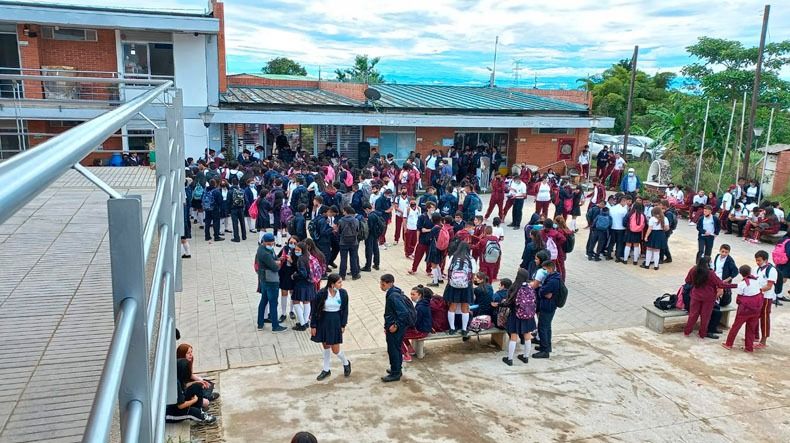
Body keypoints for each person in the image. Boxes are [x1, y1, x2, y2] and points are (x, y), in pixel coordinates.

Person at [311, 274, 351, 381]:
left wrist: (343, 324)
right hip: (323, 321)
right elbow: (314, 310)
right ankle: (326, 369)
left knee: (335, 349)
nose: (341, 284)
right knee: (326, 346)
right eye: (339, 282)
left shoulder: (342, 293)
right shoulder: (321, 294)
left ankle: (346, 362)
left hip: (336, 322)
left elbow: (345, 310)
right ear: (332, 284)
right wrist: (313, 325)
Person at [683, 257, 734, 339]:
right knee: (705, 316)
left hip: (696, 295)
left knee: (693, 315)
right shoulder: (710, 273)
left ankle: (687, 331)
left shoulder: (693, 270)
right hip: (708, 298)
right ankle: (702, 334)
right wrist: (736, 285)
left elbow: (687, 281)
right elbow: (720, 284)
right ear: (708, 263)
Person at [723, 265, 764, 352]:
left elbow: (739, 298)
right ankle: (749, 348)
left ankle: (729, 344)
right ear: (750, 272)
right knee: (751, 328)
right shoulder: (757, 281)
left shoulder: (742, 284)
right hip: (756, 309)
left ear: (741, 274)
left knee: (736, 326)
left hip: (745, 310)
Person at [165, 359, 217, 424]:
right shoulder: (175, 383)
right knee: (192, 411)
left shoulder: (176, 376)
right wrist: (194, 400)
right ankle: (201, 417)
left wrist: (197, 382)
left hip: (175, 403)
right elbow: (180, 406)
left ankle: (199, 409)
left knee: (197, 386)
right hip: (169, 413)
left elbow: (184, 387)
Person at [380, 274, 411, 382]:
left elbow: (403, 313)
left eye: (383, 284)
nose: (381, 286)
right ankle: (397, 368)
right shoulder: (394, 292)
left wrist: (395, 325)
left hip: (396, 328)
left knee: (393, 349)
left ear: (389, 283)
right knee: (396, 348)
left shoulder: (393, 296)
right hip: (393, 326)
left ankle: (395, 373)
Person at [501, 277, 537, 366]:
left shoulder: (515, 287)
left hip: (515, 315)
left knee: (513, 336)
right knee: (527, 335)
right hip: (528, 315)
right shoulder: (529, 287)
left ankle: (509, 359)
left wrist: (500, 304)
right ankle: (525, 357)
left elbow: (509, 302)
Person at [256, 233, 288, 332]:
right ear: (264, 242)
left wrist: (278, 260)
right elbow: (275, 267)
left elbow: (273, 259)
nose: (271, 245)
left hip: (264, 279)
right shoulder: (264, 253)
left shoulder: (263, 249)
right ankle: (275, 326)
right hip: (271, 280)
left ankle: (260, 323)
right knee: (273, 303)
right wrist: (278, 263)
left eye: (272, 243)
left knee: (264, 301)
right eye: (269, 243)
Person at [444, 241, 477, 336]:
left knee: (452, 306)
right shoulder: (471, 259)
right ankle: (464, 329)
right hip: (466, 286)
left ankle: (452, 328)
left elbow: (447, 271)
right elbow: (473, 273)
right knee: (465, 307)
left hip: (453, 285)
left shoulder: (452, 258)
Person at [533, 260, 561, 359]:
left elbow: (542, 290)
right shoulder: (555, 276)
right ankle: (546, 346)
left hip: (547, 306)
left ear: (550, 268)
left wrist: (541, 290)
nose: (544, 271)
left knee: (542, 327)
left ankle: (545, 351)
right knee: (547, 327)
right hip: (549, 304)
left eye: (545, 269)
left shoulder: (553, 280)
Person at [402, 285, 433, 363]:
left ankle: (407, 355)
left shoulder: (420, 307)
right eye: (411, 294)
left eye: (413, 294)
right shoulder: (423, 303)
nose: (411, 296)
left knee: (398, 335)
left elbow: (415, 322)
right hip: (423, 329)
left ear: (420, 295)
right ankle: (410, 350)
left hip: (422, 331)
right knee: (401, 331)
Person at [754, 250, 778, 348]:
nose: (757, 262)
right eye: (756, 260)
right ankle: (755, 336)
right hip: (758, 296)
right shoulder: (757, 269)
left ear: (765, 260)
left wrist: (758, 290)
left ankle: (763, 340)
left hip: (766, 297)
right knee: (754, 315)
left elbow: (769, 286)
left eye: (759, 260)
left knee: (764, 317)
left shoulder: (771, 270)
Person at [291, 242, 316, 331]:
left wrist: (294, 275)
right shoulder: (309, 256)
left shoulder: (301, 259)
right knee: (307, 302)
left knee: (296, 302)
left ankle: (302, 324)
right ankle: (305, 322)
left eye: (298, 250)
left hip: (302, 284)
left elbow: (303, 273)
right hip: (310, 283)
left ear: (302, 250)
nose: (296, 251)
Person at [408, 202, 436, 275]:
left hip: (431, 240)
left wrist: (428, 230)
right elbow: (420, 228)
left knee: (429, 256)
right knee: (418, 255)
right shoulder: (422, 217)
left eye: (434, 207)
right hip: (422, 239)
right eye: (431, 207)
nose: (433, 209)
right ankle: (414, 269)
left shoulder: (435, 217)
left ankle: (428, 270)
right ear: (428, 208)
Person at [336, 206, 361, 280]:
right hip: (354, 242)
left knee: (343, 259)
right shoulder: (356, 220)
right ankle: (355, 274)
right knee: (353, 258)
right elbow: (358, 230)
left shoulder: (341, 220)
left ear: (346, 212)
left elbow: (339, 231)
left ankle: (342, 275)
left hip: (343, 242)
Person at [278, 236, 299, 323]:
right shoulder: (285, 248)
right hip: (284, 274)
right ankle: (283, 313)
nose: (292, 244)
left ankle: (292, 311)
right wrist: (280, 259)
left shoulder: (298, 251)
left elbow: (299, 266)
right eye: (291, 242)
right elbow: (277, 257)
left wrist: (292, 261)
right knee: (284, 293)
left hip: (293, 274)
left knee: (292, 293)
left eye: (294, 243)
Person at [362, 202, 384, 271]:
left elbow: (370, 227)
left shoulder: (371, 216)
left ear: (367, 209)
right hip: (376, 234)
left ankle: (368, 266)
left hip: (370, 235)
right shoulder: (376, 213)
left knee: (369, 250)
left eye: (365, 210)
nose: (365, 212)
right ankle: (376, 264)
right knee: (376, 249)